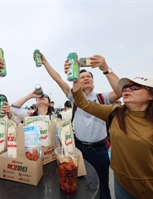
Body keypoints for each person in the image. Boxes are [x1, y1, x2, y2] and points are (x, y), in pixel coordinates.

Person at [69, 71, 153, 198]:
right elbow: (84, 104)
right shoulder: (114, 113)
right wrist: (75, 79)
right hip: (123, 186)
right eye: (125, 87)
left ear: (152, 95)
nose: (127, 90)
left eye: (135, 87)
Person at [38, 52, 121, 199]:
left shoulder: (103, 97)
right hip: (78, 148)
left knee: (103, 187)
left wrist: (105, 68)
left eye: (89, 76)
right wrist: (45, 63)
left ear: (93, 81)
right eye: (82, 77)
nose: (86, 78)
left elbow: (120, 91)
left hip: (99, 149)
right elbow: (58, 79)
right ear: (77, 80)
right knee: (80, 184)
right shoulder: (74, 98)